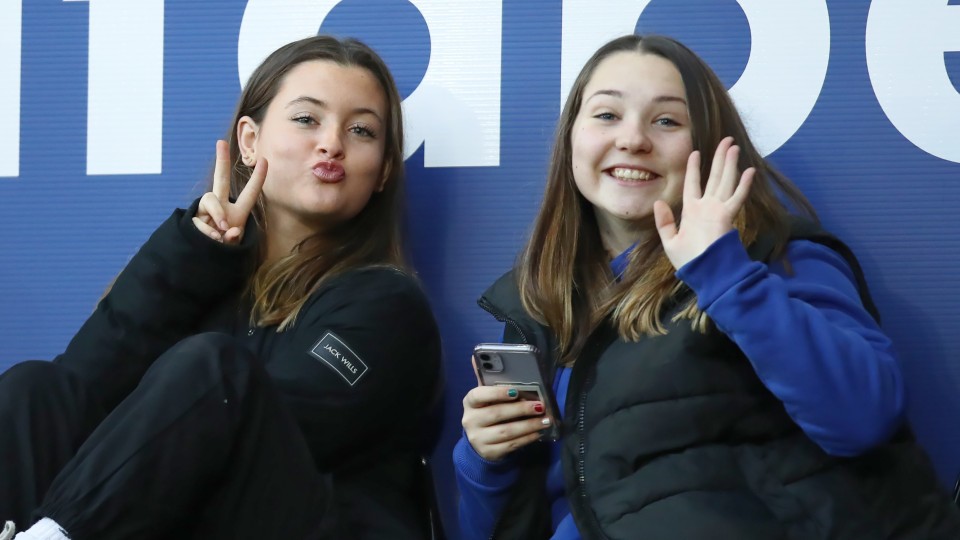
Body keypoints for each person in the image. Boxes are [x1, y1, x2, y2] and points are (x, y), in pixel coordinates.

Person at [454, 34, 960, 539]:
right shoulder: (539, 307)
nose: (632, 139)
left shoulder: (772, 258)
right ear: (571, 139)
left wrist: (725, 276)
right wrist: (484, 460)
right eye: (607, 115)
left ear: (711, 145)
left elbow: (862, 418)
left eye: (667, 120)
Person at [0, 35, 441, 540]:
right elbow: (84, 385)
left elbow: (267, 428)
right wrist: (198, 251)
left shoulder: (388, 305)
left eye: (361, 130)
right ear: (249, 141)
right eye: (306, 119)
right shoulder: (201, 273)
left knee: (214, 371)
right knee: (34, 390)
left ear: (383, 169)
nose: (331, 143)